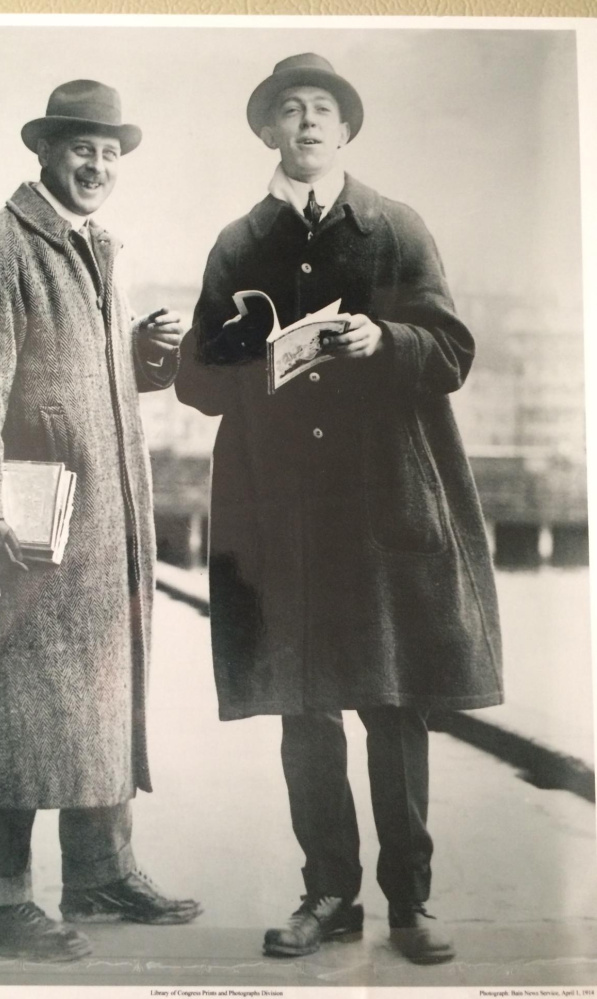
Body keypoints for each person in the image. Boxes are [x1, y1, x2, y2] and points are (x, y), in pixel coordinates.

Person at [175, 53, 503, 965]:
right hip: (278, 509)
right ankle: (328, 892)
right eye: (290, 109)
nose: (307, 121)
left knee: (392, 703)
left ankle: (409, 901)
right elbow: (200, 385)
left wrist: (381, 337)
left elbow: (448, 352)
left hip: (379, 501)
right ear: (268, 131)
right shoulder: (238, 243)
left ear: (346, 127)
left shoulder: (394, 226)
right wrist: (221, 351)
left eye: (323, 108)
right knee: (303, 709)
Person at [0, 78, 202, 963]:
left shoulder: (92, 247)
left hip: (101, 526)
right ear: (45, 151)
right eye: (81, 149)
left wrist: (139, 360)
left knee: (94, 701)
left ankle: (100, 870)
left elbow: (67, 376)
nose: (98, 165)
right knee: (1, 709)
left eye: (110, 152)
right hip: (25, 526)